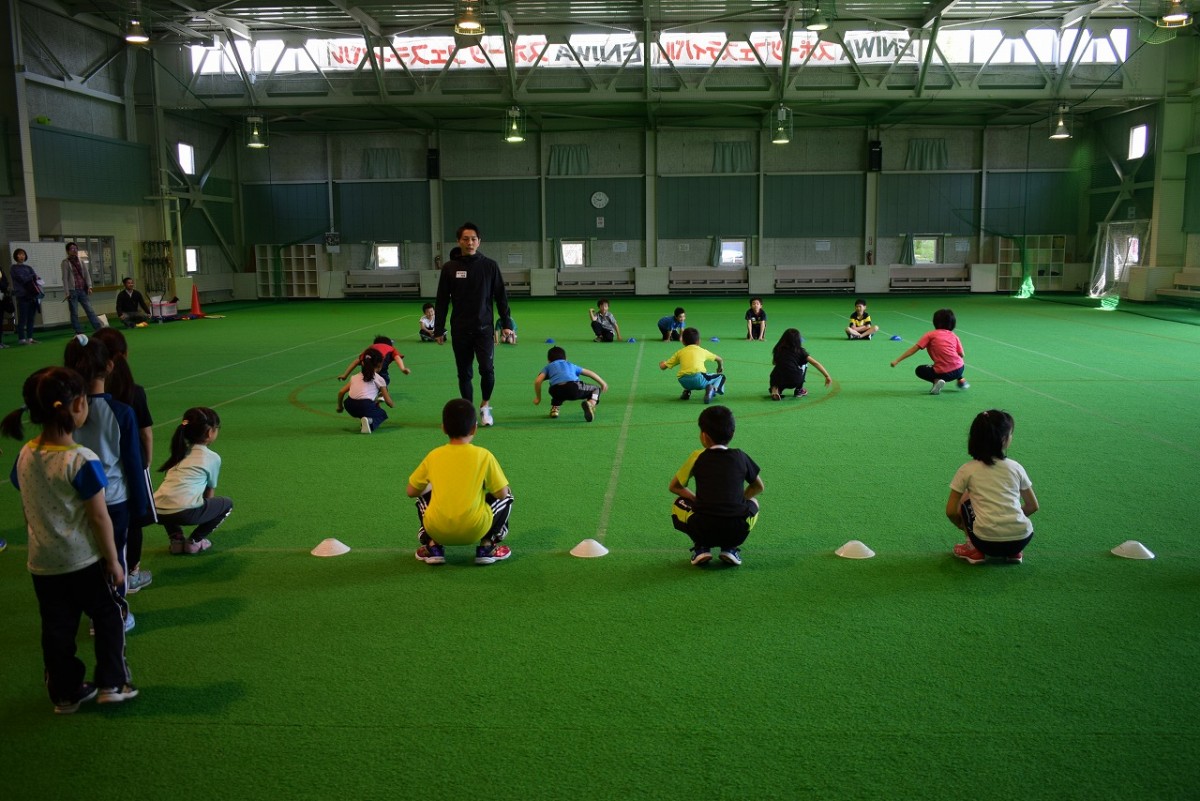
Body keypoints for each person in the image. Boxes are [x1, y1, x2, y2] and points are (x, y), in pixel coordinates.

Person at [2, 366, 138, 712]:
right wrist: (112, 560)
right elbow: (98, 516)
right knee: (108, 615)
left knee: (56, 629)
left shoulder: (24, 456)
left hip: (44, 563)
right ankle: (112, 682)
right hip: (84, 560)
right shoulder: (81, 460)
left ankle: (65, 693)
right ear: (78, 405)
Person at [64, 335, 148, 631]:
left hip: (72, 500)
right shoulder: (122, 413)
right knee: (114, 558)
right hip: (113, 501)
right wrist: (141, 506)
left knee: (84, 558)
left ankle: (90, 612)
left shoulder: (64, 413)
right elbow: (133, 465)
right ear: (110, 366)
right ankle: (114, 613)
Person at [405, 398, 513, 566]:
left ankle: (433, 545)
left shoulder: (434, 455)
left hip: (438, 529)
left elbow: (411, 491)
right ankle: (487, 546)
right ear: (474, 428)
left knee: (422, 494)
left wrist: (433, 485)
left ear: (443, 428)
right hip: (475, 529)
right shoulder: (484, 455)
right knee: (507, 494)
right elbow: (501, 494)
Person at [93, 327, 156, 595]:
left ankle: (107, 574)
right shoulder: (132, 394)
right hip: (126, 472)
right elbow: (146, 433)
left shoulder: (80, 398)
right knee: (132, 520)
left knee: (97, 523)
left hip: (93, 472)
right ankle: (130, 573)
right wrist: (146, 462)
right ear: (124, 355)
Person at [433, 222, 513, 428]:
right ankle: (469, 413)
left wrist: (507, 324)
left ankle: (485, 406)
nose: (470, 242)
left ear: (479, 241)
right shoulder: (450, 268)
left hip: (484, 329)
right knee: (464, 372)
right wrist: (438, 328)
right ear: (459, 241)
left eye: (473, 239)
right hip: (460, 330)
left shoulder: (490, 266)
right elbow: (442, 300)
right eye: (466, 239)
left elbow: (501, 297)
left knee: (487, 369)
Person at [669, 405, 764, 567]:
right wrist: (739, 500)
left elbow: (675, 487)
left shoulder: (697, 456)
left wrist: (696, 499)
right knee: (754, 502)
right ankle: (730, 548)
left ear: (704, 436)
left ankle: (701, 548)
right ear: (732, 433)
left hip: (703, 529)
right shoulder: (740, 456)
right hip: (736, 531)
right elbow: (758, 487)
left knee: (678, 503)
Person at [946, 409, 1038, 565]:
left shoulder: (967, 470)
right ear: (1004, 440)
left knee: (966, 499)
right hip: (1022, 538)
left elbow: (950, 511)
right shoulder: (1016, 468)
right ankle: (1014, 553)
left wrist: (963, 527)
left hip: (984, 541)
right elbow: (1033, 506)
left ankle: (974, 549)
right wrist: (1008, 520)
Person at [154, 407, 233, 555]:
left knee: (170, 500)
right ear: (210, 432)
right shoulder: (211, 457)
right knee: (227, 504)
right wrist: (204, 515)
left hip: (156, 510)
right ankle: (195, 541)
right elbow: (209, 491)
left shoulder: (179, 452)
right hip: (185, 513)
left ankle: (176, 540)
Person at [890, 308, 969, 395]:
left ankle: (936, 381)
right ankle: (962, 380)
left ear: (935, 322)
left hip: (944, 374)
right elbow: (961, 354)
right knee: (954, 362)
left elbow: (914, 349)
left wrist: (897, 360)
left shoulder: (930, 335)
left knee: (920, 370)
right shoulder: (954, 336)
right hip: (960, 369)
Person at [533, 345, 608, 421]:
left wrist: (538, 398)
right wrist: (602, 383)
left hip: (555, 391)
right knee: (596, 389)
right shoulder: (570, 365)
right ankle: (591, 404)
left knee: (558, 390)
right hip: (573, 388)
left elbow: (538, 381)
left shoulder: (547, 367)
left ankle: (555, 410)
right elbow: (589, 373)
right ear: (565, 359)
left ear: (548, 360)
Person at [660, 327, 725, 403]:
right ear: (699, 341)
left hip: (683, 381)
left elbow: (663, 367)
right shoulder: (702, 351)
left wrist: (662, 363)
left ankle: (686, 392)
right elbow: (720, 359)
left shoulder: (680, 352)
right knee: (721, 377)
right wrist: (719, 368)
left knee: (687, 371)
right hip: (698, 381)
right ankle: (713, 389)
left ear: (683, 342)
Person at [336, 349, 395, 434]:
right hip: (365, 405)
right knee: (382, 414)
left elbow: (341, 392)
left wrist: (340, 406)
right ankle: (370, 422)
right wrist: (392, 405)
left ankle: (365, 419)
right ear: (379, 366)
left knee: (367, 408)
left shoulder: (354, 377)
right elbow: (388, 402)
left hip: (349, 405)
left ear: (363, 363)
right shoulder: (379, 379)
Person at [769, 328, 832, 400]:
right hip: (794, 380)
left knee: (778, 368)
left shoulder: (778, 349)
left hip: (779, 380)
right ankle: (799, 390)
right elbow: (815, 363)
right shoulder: (800, 351)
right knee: (805, 364)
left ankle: (776, 390)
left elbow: (774, 362)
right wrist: (827, 376)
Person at [60, 242, 104, 334]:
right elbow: (64, 278)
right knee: (74, 312)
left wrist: (89, 286)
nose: (74, 250)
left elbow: (86, 274)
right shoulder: (65, 262)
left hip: (82, 289)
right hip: (73, 291)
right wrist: (67, 292)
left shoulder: (81, 261)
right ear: (68, 251)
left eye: (76, 248)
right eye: (72, 249)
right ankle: (78, 330)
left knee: (90, 310)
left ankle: (98, 328)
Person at [337, 335, 410, 386]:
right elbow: (397, 357)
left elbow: (356, 361)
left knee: (366, 377)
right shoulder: (390, 348)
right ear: (390, 344)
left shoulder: (370, 348)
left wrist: (345, 375)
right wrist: (402, 368)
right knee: (384, 379)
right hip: (380, 362)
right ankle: (382, 394)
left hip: (366, 363)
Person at [10, 248, 42, 345]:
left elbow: (35, 277)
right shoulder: (13, 268)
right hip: (22, 295)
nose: (22, 256)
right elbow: (22, 279)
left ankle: (30, 338)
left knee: (31, 318)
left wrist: (35, 277)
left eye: (23, 254)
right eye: (19, 254)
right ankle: (21, 339)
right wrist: (32, 276)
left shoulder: (28, 267)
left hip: (32, 295)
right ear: (16, 256)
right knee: (23, 318)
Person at [0, 259, 11, 348]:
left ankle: (0, 342)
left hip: (1, 297)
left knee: (0, 320)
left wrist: (4, 285)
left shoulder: (0, 270)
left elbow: (4, 281)